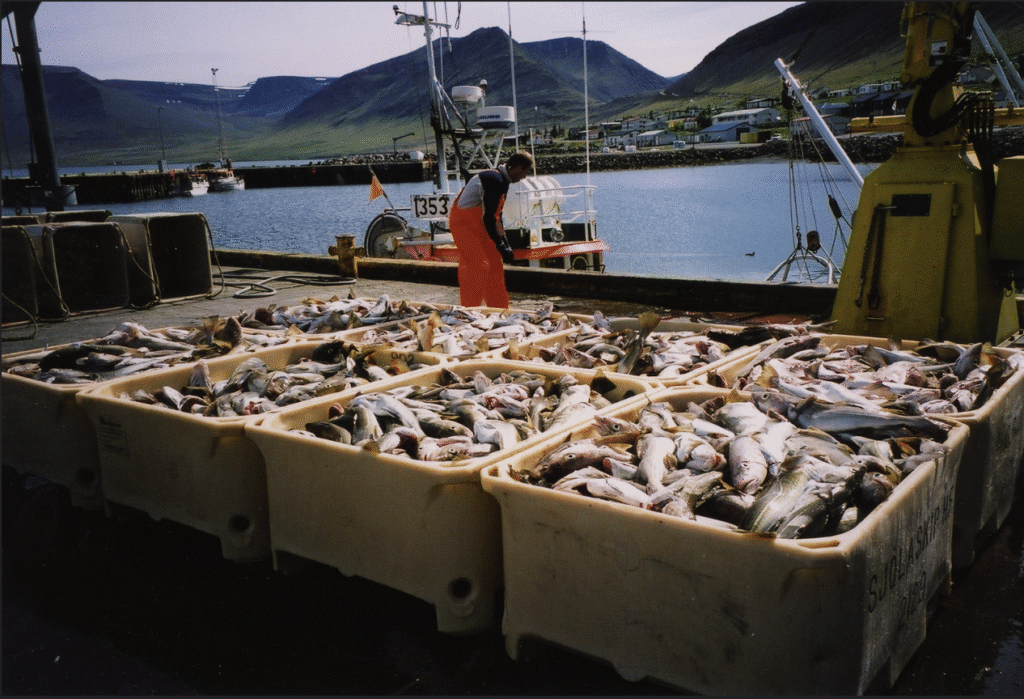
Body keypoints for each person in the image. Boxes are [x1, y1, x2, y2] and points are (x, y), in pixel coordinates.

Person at [447, 151, 534, 308]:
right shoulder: (494, 179)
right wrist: (502, 245)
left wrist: (505, 245)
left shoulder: (503, 180)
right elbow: (489, 218)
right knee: (478, 264)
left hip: (477, 223)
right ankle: (470, 309)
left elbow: (496, 216)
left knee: (495, 262)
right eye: (525, 172)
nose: (524, 177)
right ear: (518, 168)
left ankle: (498, 309)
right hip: (462, 224)